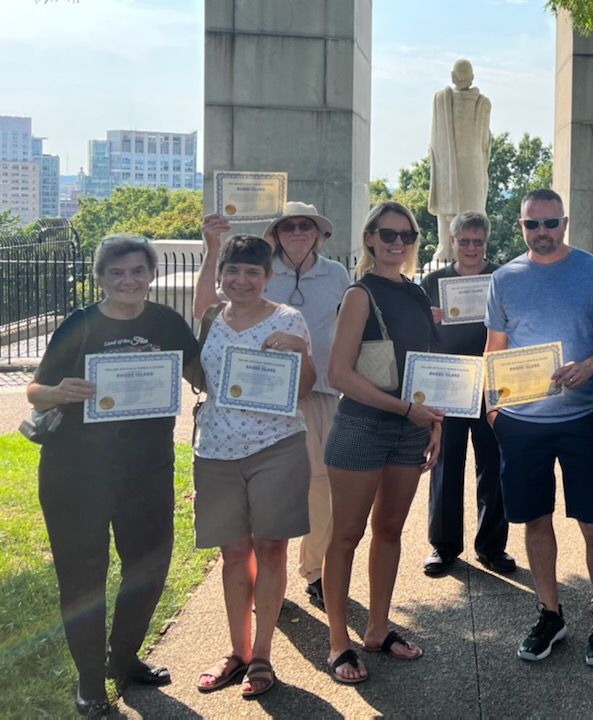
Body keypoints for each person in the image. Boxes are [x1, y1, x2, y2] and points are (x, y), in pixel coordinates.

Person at [28, 235, 201, 719]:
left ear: (151, 275)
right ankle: (89, 683)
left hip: (146, 470)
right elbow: (35, 392)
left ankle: (122, 660)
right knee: (83, 577)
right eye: (116, 273)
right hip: (75, 472)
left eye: (137, 271)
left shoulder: (166, 322)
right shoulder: (79, 324)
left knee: (147, 569)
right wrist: (59, 390)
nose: (128, 280)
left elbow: (201, 375)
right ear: (101, 277)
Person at [484, 188, 593, 666]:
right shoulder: (504, 278)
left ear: (564, 223)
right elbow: (496, 348)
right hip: (522, 422)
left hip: (583, 417)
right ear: (521, 226)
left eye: (550, 223)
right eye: (532, 225)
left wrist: (589, 367)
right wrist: (492, 407)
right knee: (534, 520)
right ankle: (550, 614)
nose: (541, 233)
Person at [194, 201, 350, 609]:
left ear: (318, 232)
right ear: (276, 233)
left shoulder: (336, 273)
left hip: (320, 391)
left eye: (306, 225)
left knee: (321, 486)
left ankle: (315, 570)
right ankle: (265, 582)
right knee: (262, 498)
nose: (297, 231)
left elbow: (350, 325)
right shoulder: (257, 267)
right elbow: (207, 308)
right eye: (288, 226)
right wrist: (213, 248)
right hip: (255, 403)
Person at [324, 201, 443, 684]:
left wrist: (436, 423)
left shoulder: (416, 294)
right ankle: (338, 642)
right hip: (362, 427)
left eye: (407, 236)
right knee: (347, 536)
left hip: (411, 427)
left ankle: (377, 628)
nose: (398, 243)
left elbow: (429, 366)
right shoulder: (359, 294)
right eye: (387, 234)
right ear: (370, 238)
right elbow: (338, 373)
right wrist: (404, 409)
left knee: (390, 531)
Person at [192, 235, 316, 700]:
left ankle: (262, 655)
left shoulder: (288, 318)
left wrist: (297, 351)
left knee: (270, 547)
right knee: (232, 553)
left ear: (268, 277)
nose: (241, 280)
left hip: (276, 445)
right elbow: (196, 374)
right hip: (217, 449)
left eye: (252, 272)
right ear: (223, 273)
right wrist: (211, 245)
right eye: (233, 270)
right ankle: (237, 650)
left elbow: (306, 386)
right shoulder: (210, 319)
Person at [420, 210, 514, 577]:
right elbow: (417, 335)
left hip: (492, 380)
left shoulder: (501, 278)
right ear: (453, 241)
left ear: (485, 243)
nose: (471, 247)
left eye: (478, 241)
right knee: (446, 464)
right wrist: (428, 320)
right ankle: (443, 547)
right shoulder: (432, 281)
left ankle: (492, 547)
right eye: (464, 240)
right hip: (450, 382)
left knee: (494, 464)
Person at [428, 58, 492, 262]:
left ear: (453, 77)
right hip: (468, 164)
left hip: (459, 163)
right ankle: (446, 247)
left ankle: (447, 247)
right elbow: (485, 141)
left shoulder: (442, 99)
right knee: (463, 210)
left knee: (454, 209)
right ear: (471, 77)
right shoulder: (481, 103)